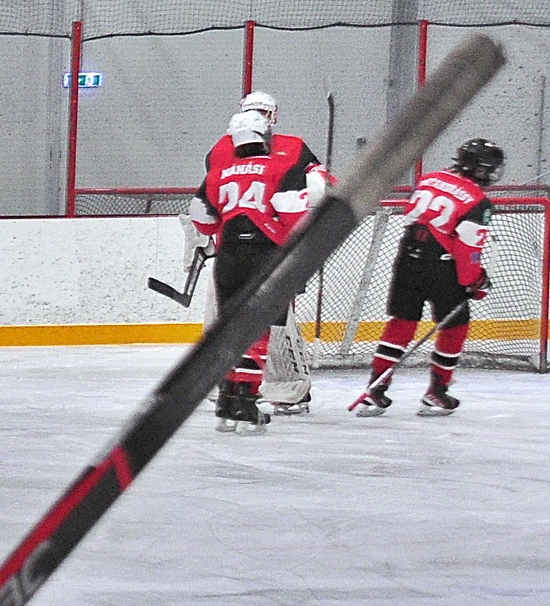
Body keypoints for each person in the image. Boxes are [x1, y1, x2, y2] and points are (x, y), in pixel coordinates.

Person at [188, 91, 333, 431]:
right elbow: (294, 211)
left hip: (227, 256)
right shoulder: (280, 162)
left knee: (230, 330)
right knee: (260, 333)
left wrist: (210, 236)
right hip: (267, 256)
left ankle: (228, 400)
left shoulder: (221, 163)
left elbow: (202, 213)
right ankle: (248, 401)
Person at [355, 138, 503, 417]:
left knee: (401, 323)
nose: (492, 174)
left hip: (407, 257)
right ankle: (437, 393)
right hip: (442, 267)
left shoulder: (429, 179)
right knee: (455, 327)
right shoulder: (478, 200)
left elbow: (412, 217)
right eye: (489, 168)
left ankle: (374, 391)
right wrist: (475, 281)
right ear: (479, 168)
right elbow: (467, 249)